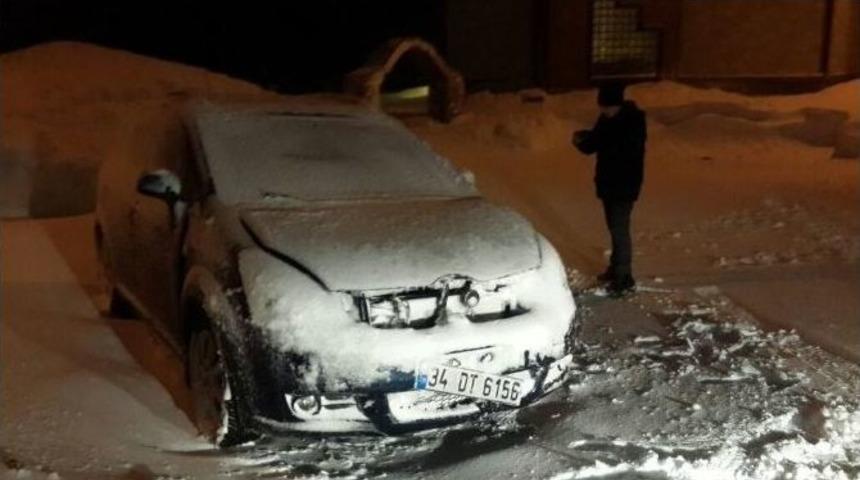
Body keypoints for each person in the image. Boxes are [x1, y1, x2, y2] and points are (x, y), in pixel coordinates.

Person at [572, 82, 646, 297]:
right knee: (614, 228)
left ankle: (624, 276)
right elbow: (596, 143)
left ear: (618, 105)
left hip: (625, 184)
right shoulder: (607, 119)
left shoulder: (633, 121)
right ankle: (615, 269)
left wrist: (598, 139)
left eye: (607, 107)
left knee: (620, 229)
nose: (604, 111)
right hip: (608, 183)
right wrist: (582, 141)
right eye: (602, 107)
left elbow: (623, 149)